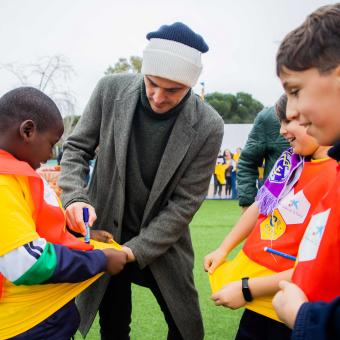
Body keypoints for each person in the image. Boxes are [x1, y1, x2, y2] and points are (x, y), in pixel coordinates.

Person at [58, 22, 224, 340]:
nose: (159, 97)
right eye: (151, 83)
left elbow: (186, 202)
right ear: (143, 71)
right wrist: (75, 197)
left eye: (173, 90)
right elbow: (76, 149)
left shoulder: (209, 125)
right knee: (114, 326)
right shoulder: (109, 90)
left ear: (190, 85)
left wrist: (135, 251)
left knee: (185, 328)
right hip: (108, 233)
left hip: (163, 243)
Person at [204, 94, 337, 340]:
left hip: (293, 299)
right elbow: (261, 206)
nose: (282, 130)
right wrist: (224, 248)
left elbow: (315, 265)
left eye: (288, 121)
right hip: (260, 292)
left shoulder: (335, 175)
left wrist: (246, 289)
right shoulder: (290, 160)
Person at [0, 87, 127, 339]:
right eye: (51, 144)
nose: (50, 154)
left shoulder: (14, 173)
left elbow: (32, 226)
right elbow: (27, 262)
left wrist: (77, 237)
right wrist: (100, 261)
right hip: (26, 324)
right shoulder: (3, 183)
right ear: (27, 131)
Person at [271, 3, 340, 339]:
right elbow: (263, 203)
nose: (293, 114)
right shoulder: (289, 163)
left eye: (295, 92)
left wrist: (305, 318)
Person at [237, 106, 289, 212]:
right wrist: (247, 204)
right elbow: (247, 163)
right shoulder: (268, 117)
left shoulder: (328, 112)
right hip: (276, 209)